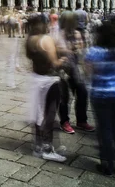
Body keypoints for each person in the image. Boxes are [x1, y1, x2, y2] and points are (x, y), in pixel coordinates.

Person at [84, 23, 115, 177]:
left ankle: (107, 164)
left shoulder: (93, 52)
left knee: (104, 128)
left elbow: (87, 72)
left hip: (100, 94)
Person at [26, 15, 68, 162]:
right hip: (50, 81)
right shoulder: (46, 39)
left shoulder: (30, 40)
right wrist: (63, 59)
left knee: (38, 113)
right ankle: (47, 148)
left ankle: (38, 146)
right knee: (49, 114)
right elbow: (55, 63)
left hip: (36, 79)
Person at [57, 12, 94, 134]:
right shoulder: (58, 34)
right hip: (63, 69)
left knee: (82, 92)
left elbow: (82, 49)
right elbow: (55, 48)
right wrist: (68, 49)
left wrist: (80, 48)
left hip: (76, 68)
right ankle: (64, 121)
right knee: (65, 97)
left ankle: (81, 120)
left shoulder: (77, 33)